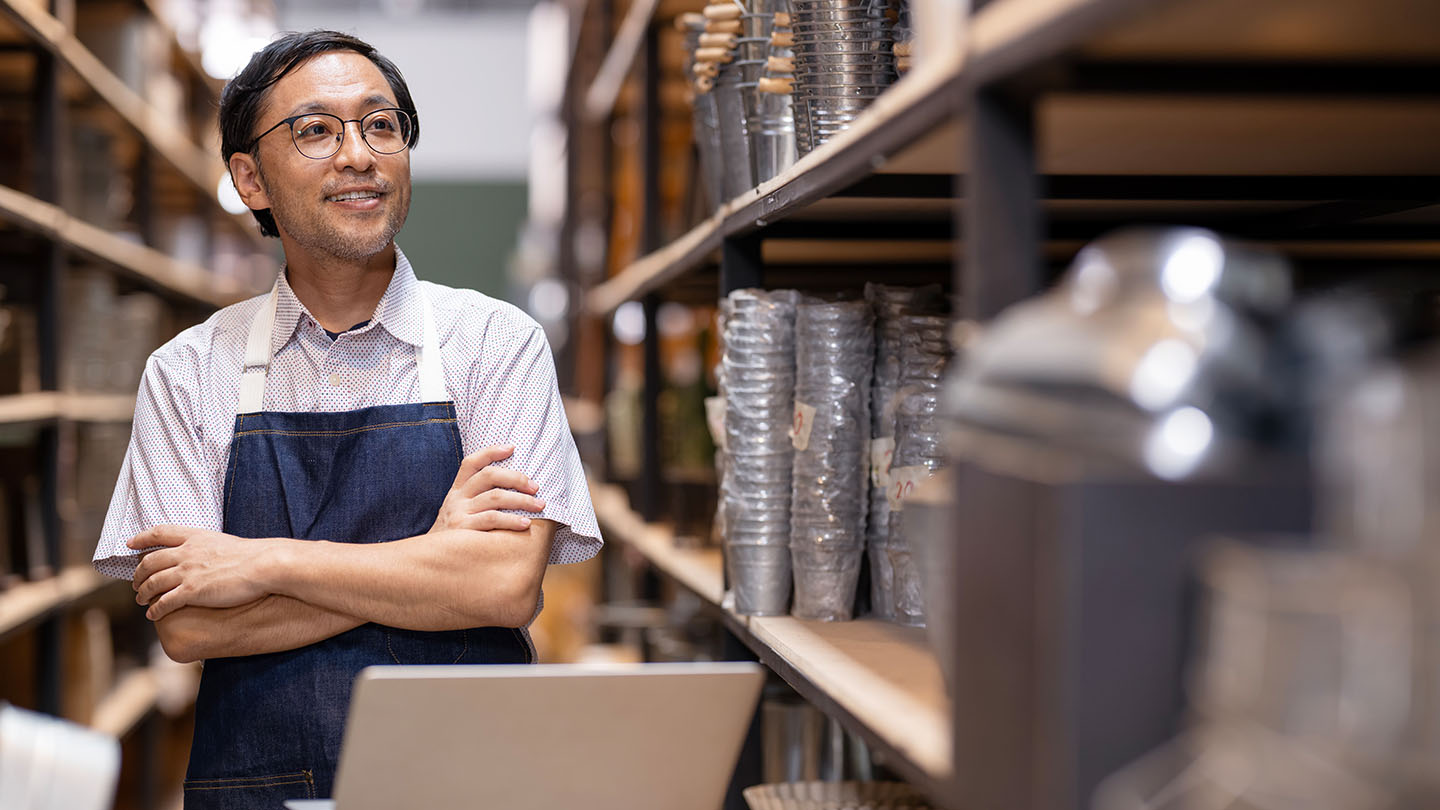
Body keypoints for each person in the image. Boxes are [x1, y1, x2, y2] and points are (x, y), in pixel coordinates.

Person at [89, 30, 601, 809]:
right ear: (250, 178)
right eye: (316, 130)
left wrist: (263, 565)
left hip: (470, 786)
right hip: (258, 789)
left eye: (381, 124)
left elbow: (500, 586)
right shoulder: (187, 372)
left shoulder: (495, 344)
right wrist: (432, 564)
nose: (359, 155)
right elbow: (191, 627)